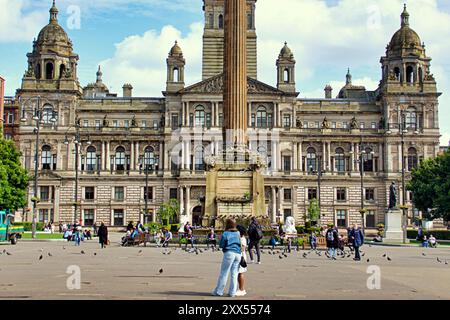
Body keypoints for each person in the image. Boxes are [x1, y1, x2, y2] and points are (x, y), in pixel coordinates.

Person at [212, 219, 241, 297]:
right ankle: (232, 293)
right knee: (234, 274)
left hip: (229, 253)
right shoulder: (238, 233)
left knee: (224, 273)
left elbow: (222, 244)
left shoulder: (226, 233)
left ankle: (219, 291)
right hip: (238, 254)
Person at [236, 225, 248, 297]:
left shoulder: (242, 239)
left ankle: (241, 289)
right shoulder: (239, 238)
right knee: (237, 274)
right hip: (238, 257)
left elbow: (242, 249)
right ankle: (239, 289)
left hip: (241, 258)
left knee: (240, 273)